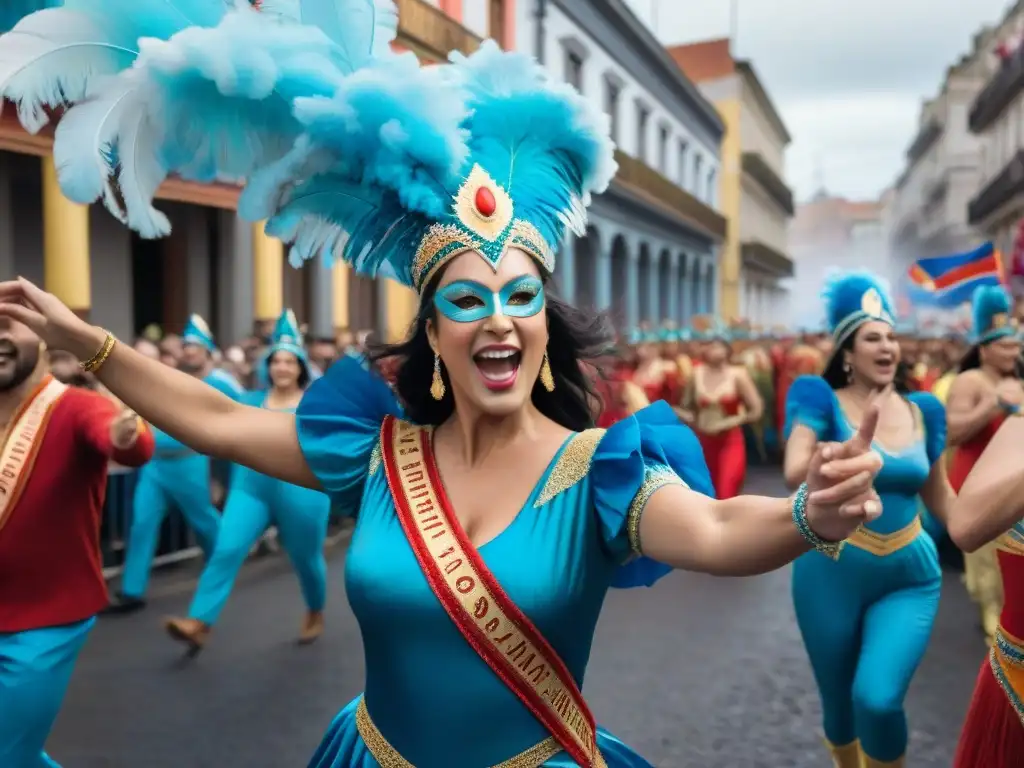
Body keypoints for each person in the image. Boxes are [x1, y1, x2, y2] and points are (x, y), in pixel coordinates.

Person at [0, 4, 884, 765]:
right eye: (467, 300)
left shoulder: (601, 474)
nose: (497, 318)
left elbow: (721, 525)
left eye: (521, 298)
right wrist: (91, 342)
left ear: (544, 331)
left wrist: (807, 515)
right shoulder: (373, 454)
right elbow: (218, 422)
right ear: (433, 333)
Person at [782, 272, 950, 768]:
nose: (886, 346)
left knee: (877, 699)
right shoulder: (819, 398)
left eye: (891, 336)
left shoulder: (926, 410)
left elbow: (946, 502)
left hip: (910, 575)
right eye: (872, 338)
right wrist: (827, 460)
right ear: (847, 354)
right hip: (829, 573)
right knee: (840, 708)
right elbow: (795, 469)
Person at [0, 317, 154, 767]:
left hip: (43, 623)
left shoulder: (74, 407)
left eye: (9, 323)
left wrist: (126, 434)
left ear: (43, 337)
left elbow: (125, 442)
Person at [164, 310, 332, 652]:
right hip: (250, 489)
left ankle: (315, 609)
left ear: (300, 367)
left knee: (306, 559)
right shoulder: (248, 402)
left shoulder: (318, 406)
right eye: (276, 361)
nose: (282, 367)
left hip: (302, 492)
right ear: (267, 366)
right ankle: (199, 622)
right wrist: (217, 479)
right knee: (225, 550)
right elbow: (222, 438)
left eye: (289, 361)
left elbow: (334, 452)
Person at [105, 314, 241, 613]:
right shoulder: (172, 378)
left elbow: (245, 414)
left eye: (195, 346)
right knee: (141, 522)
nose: (189, 351)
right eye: (186, 346)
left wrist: (223, 470)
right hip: (155, 467)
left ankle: (224, 567)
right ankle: (132, 590)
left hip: (189, 464)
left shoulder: (221, 382)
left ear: (207, 349)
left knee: (204, 522)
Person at [941, 288, 1024, 767]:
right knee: (988, 583)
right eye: (1005, 345)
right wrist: (994, 406)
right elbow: (953, 432)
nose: (1013, 352)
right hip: (985, 480)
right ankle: (990, 624)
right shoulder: (972, 381)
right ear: (985, 346)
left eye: (1017, 345)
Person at [677, 323, 763, 499]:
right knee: (704, 494)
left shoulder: (738, 374)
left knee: (726, 491)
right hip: (703, 442)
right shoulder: (696, 373)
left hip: (730, 441)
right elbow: (687, 407)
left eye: (717, 345)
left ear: (727, 349)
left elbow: (756, 409)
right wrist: (685, 416)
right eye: (709, 345)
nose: (713, 350)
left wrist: (735, 420)